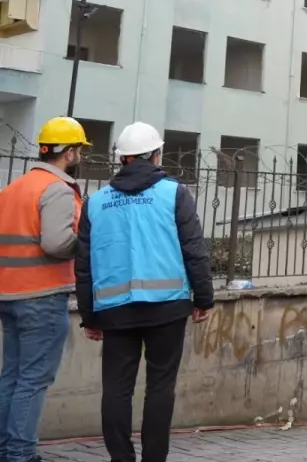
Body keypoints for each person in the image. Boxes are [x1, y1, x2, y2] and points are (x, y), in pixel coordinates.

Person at [74, 121, 214, 462]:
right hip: (167, 309)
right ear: (156, 155)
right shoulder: (174, 193)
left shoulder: (96, 203)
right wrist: (204, 298)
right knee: (160, 387)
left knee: (116, 390)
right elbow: (193, 249)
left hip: (114, 311)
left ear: (121, 159)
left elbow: (85, 265)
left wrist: (89, 316)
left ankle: (121, 458)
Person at [0, 117, 88, 462]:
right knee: (33, 381)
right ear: (68, 152)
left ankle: (5, 449)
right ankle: (19, 454)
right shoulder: (57, 189)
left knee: (11, 376)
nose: (80, 155)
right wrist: (86, 242)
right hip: (41, 296)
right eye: (79, 149)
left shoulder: (14, 188)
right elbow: (56, 243)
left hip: (8, 294)